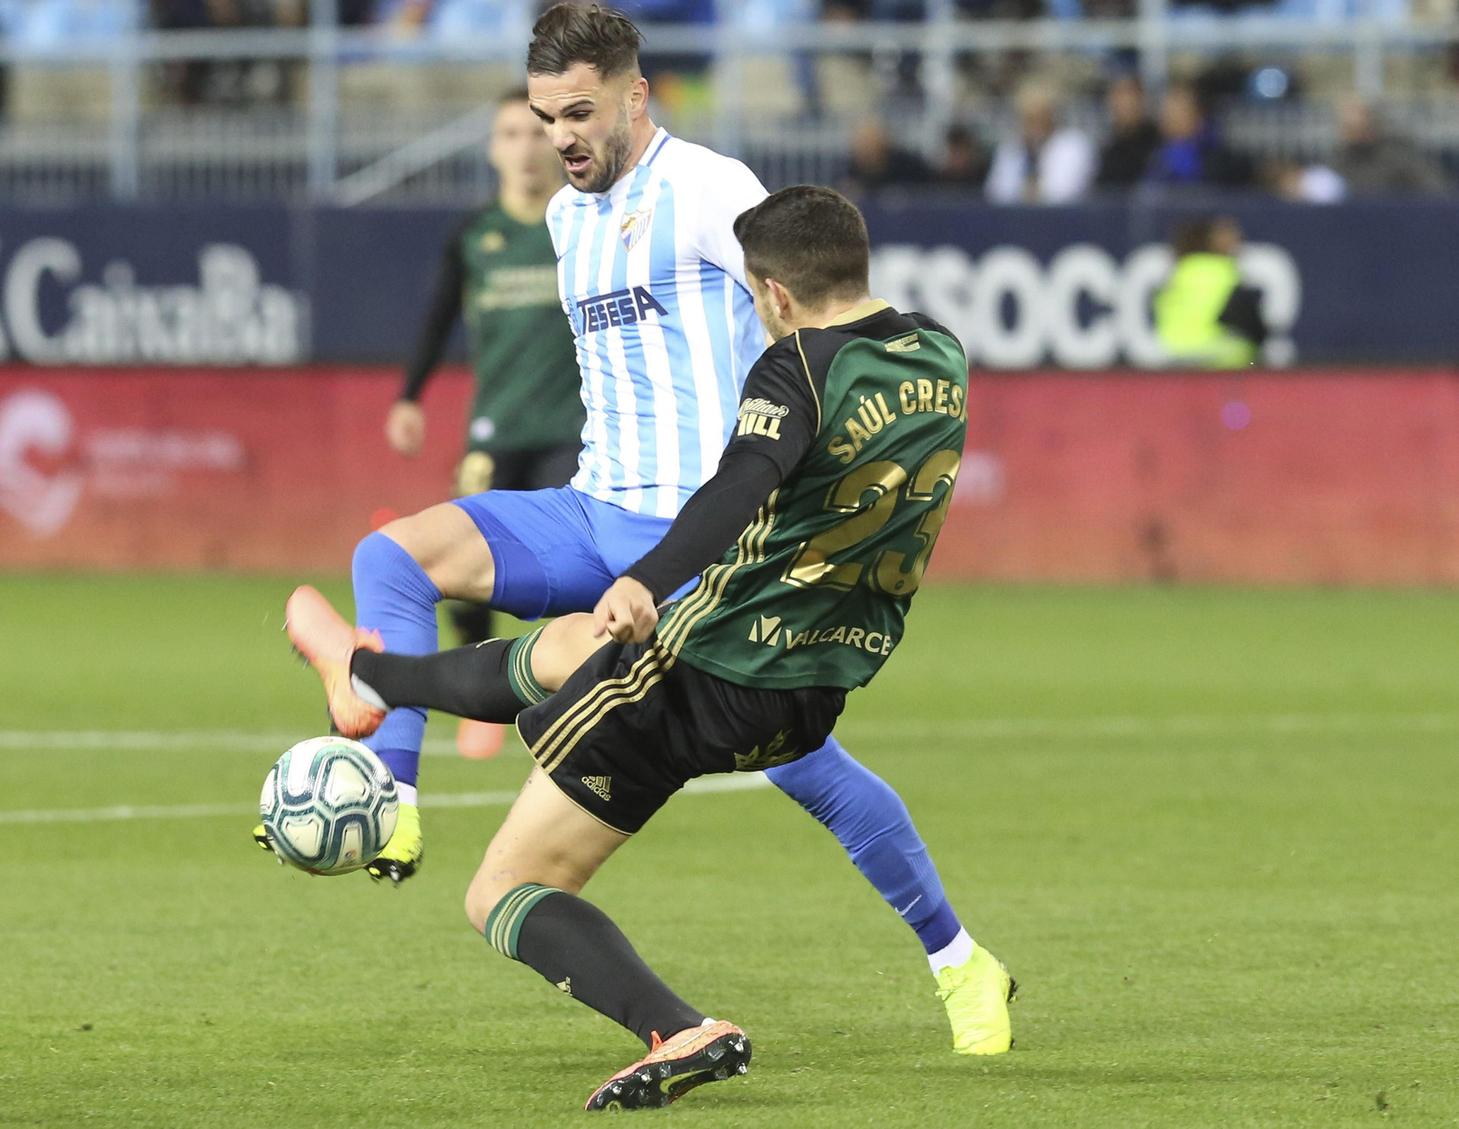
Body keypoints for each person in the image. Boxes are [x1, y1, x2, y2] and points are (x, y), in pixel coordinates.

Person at [287, 1, 1003, 1050]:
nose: (558, 137)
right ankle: (388, 793)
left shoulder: (711, 191)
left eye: (577, 113)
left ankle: (957, 959)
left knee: (805, 765)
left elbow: (816, 296)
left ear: (634, 95)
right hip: (592, 507)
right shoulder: (567, 217)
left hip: (695, 536)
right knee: (391, 555)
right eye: (541, 118)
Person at [385, 87, 586, 760]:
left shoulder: (582, 224)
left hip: (573, 428)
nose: (526, 149)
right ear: (493, 148)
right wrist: (410, 396)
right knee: (457, 561)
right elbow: (438, 320)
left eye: (536, 134)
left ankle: (563, 699)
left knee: (569, 570)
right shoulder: (475, 236)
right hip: (495, 427)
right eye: (511, 135)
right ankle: (481, 693)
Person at [1153, 215, 1267, 369]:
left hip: (1174, 352)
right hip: (1218, 353)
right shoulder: (1225, 271)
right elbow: (1248, 321)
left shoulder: (1179, 271)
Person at [984, 82, 1096, 204]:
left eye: (1039, 117)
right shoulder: (1011, 148)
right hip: (1016, 218)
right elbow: (995, 192)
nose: (1034, 126)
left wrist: (1028, 191)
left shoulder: (1073, 144)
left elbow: (1066, 192)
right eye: (1028, 118)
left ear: (1051, 116)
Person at [1331, 98, 1448, 197]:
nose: (1353, 135)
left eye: (1358, 129)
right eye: (1349, 129)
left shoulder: (1397, 158)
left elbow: (1435, 188)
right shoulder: (1337, 163)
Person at [1146, 83, 1253, 189]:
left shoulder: (1219, 162)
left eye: (1181, 111)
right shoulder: (1151, 155)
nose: (1172, 118)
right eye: (1168, 112)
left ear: (1199, 117)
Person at [1095, 74, 1159, 188]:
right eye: (1119, 95)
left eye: (1130, 94)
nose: (1125, 103)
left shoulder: (1158, 146)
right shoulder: (1107, 150)